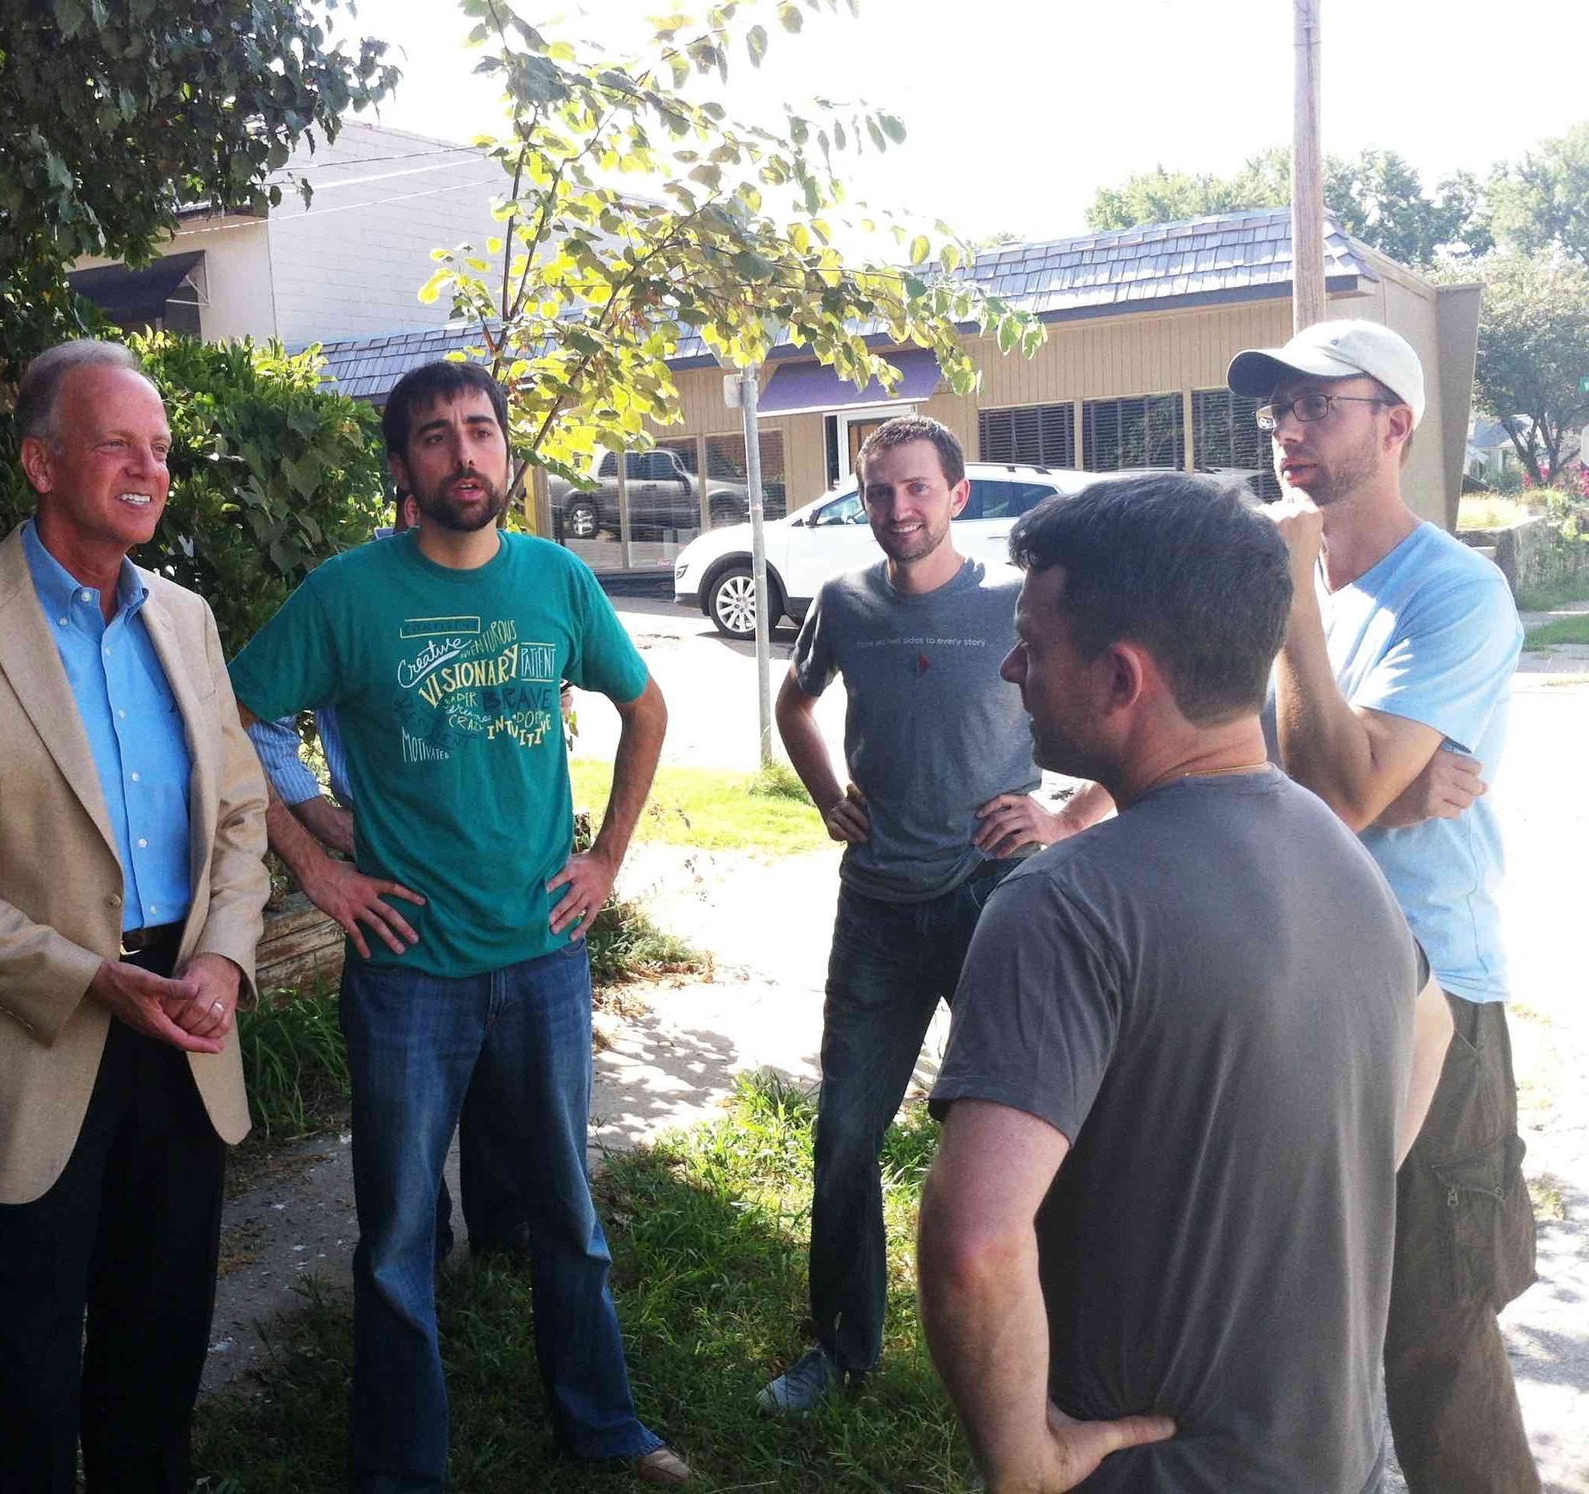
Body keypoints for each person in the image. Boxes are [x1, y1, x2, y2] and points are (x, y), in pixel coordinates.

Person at [917, 473, 1453, 1491]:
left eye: (1033, 642)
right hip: (1343, 1453)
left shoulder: (1062, 904)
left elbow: (973, 1246)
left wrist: (1024, 1465)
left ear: (1121, 681)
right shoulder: (1338, 848)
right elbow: (1428, 1027)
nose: (1009, 666)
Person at [226, 360, 688, 1489]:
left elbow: (643, 705)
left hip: (542, 958)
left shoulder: (554, 580)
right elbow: (230, 718)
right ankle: (401, 1468)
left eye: (479, 431)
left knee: (567, 1217)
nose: (463, 455)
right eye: (434, 438)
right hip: (405, 969)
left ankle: (603, 1425)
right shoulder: (346, 595)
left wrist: (607, 858)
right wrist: (315, 866)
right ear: (401, 468)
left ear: (502, 450)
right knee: (392, 1243)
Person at [0, 339, 270, 1491]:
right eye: (117, 443)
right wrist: (85, 976)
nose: (148, 467)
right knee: (25, 1384)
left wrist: (223, 960)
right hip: (33, 1031)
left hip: (184, 1025)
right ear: (40, 460)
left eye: (162, 448)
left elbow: (238, 816)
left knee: (158, 1361)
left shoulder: (186, 618)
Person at [1229, 320, 1539, 1492]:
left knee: (1433, 1331)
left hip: (1432, 998)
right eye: (1276, 412)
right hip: (1300, 980)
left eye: (1319, 407)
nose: (1288, 433)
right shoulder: (1281, 581)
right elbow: (1249, 770)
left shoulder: (1450, 594)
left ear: (1393, 424)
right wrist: (1380, 792)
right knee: (1303, 1308)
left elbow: (1335, 788)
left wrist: (1294, 610)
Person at [759, 415, 1111, 1413]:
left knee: (1033, 1131)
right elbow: (795, 704)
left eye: (915, 489)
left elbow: (1111, 714)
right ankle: (842, 1348)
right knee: (841, 1135)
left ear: (956, 496)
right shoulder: (844, 602)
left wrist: (1061, 814)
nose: (896, 509)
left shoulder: (1013, 602)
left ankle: (1061, 1349)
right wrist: (828, 795)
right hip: (875, 905)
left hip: (992, 900)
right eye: (878, 492)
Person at [248, 494, 527, 1262]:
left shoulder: (508, 579)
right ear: (407, 496)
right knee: (406, 1109)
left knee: (502, 1092)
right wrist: (315, 828)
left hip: (507, 902)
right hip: (399, 888)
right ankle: (419, 1250)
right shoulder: (356, 594)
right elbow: (248, 718)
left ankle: (504, 1240)